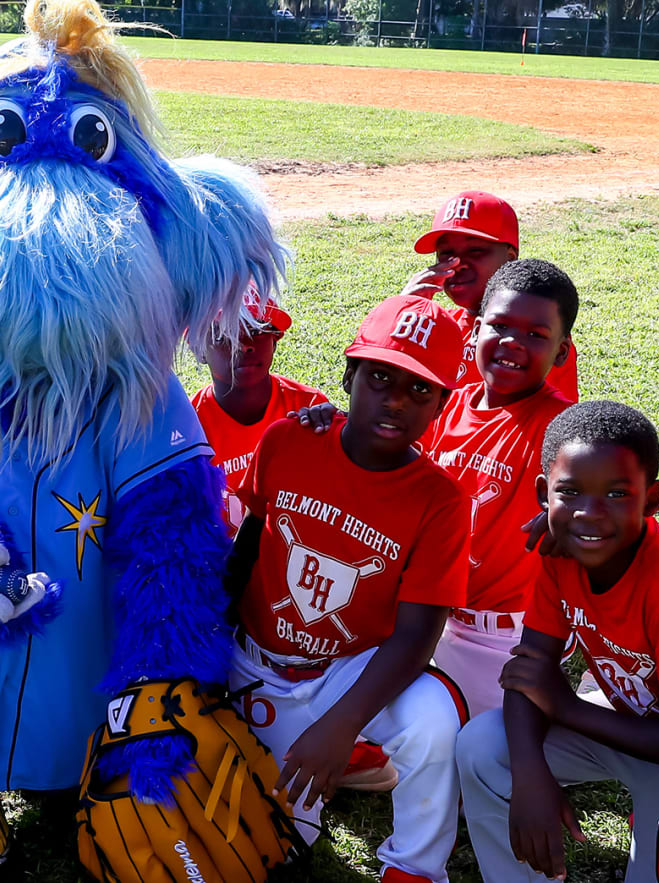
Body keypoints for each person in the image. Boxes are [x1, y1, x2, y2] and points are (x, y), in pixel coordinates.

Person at [225, 293, 472, 883]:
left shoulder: (441, 499)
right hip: (255, 663)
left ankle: (413, 868)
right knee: (272, 850)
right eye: (381, 376)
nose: (396, 400)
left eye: (420, 389)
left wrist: (339, 725)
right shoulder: (289, 440)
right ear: (349, 374)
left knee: (433, 714)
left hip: (346, 670)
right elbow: (248, 548)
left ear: (442, 400)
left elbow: (417, 636)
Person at [457, 401, 659, 883]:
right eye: (570, 492)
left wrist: (564, 706)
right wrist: (531, 776)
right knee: (482, 747)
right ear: (544, 494)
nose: (589, 514)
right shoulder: (561, 553)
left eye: (617, 494)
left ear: (652, 499)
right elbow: (528, 670)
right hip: (618, 724)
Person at [423, 259, 580, 716]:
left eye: (536, 334)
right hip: (436, 619)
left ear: (562, 352)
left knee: (478, 753)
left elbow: (605, 497)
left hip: (507, 638)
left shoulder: (560, 424)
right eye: (500, 325)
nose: (513, 343)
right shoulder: (447, 407)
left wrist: (566, 517)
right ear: (473, 330)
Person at [403, 191, 579, 400]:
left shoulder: (537, 336)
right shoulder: (437, 325)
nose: (459, 264)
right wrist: (402, 313)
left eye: (476, 251)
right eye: (446, 254)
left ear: (510, 259)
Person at [192, 294, 329, 535]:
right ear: (199, 350)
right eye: (225, 334)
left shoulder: (308, 409)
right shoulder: (188, 426)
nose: (245, 344)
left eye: (257, 330)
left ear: (275, 340)